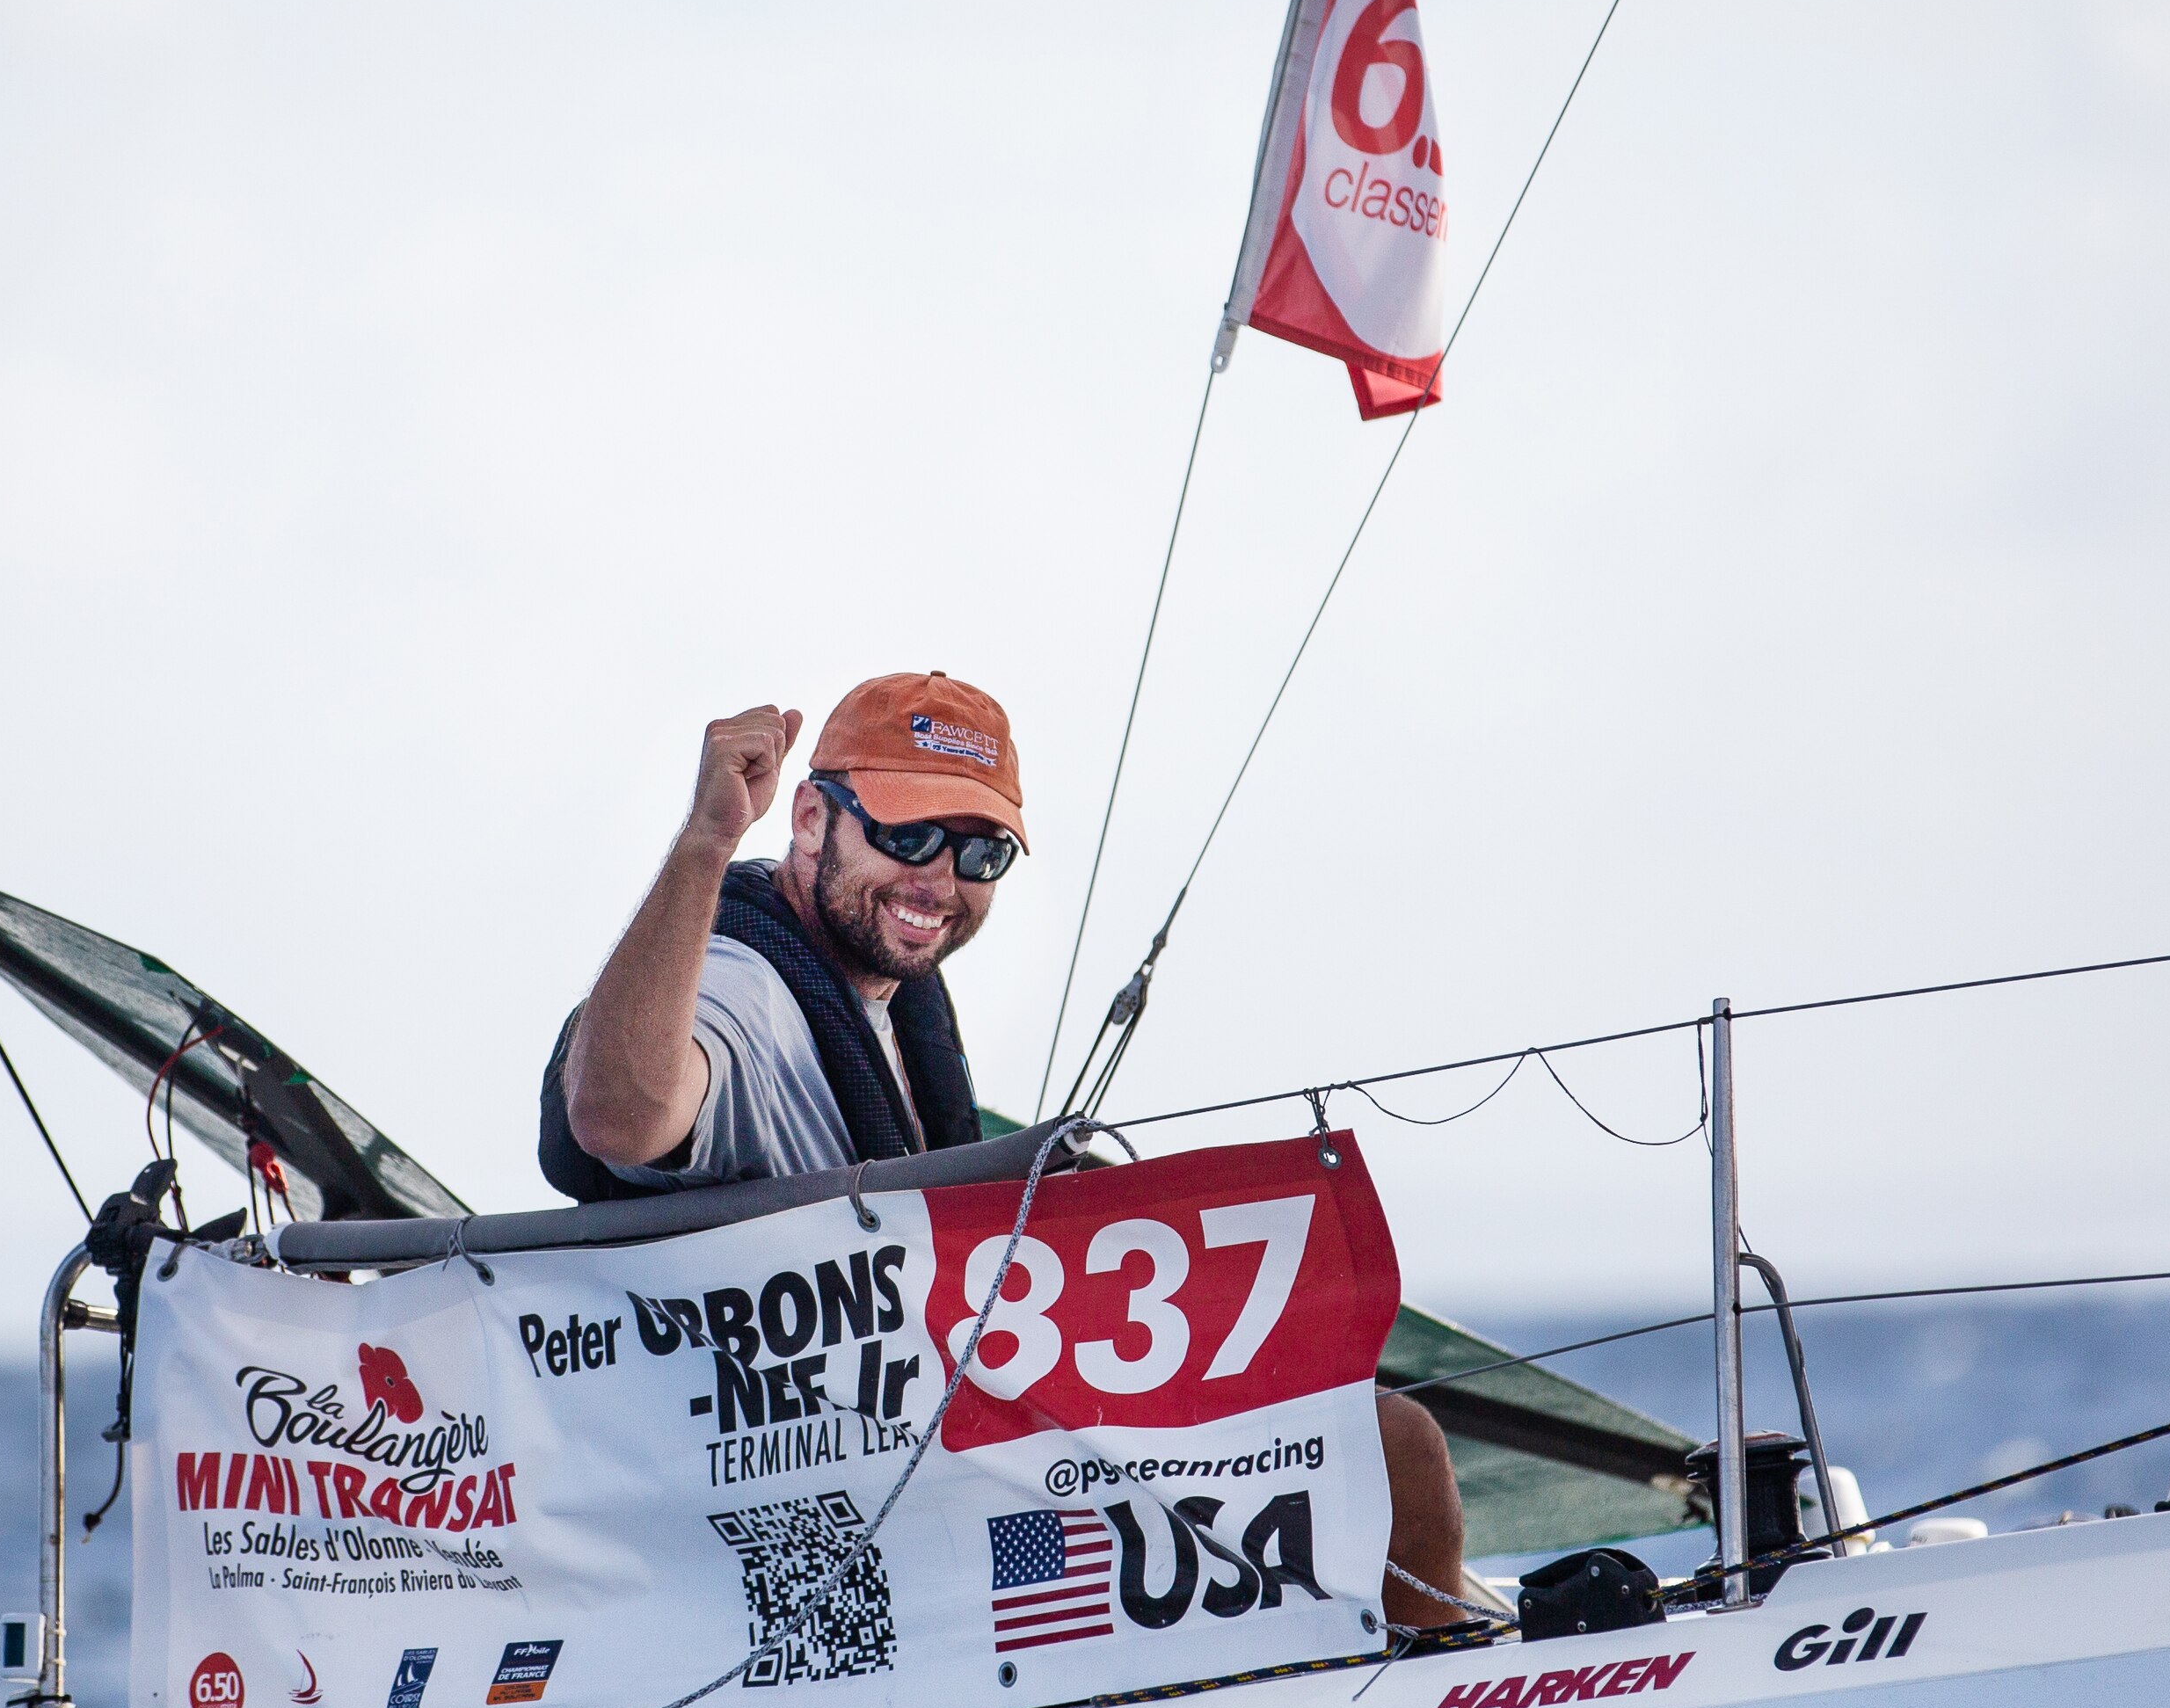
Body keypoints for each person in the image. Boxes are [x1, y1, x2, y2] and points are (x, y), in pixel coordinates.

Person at [542, 672, 1475, 1625]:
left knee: (1380, 1433)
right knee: (1393, 1450)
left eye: (978, 849)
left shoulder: (895, 1001)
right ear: (814, 818)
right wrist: (706, 843)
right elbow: (616, 1116)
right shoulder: (745, 986)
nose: (939, 880)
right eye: (905, 834)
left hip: (925, 1452)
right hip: (821, 1498)